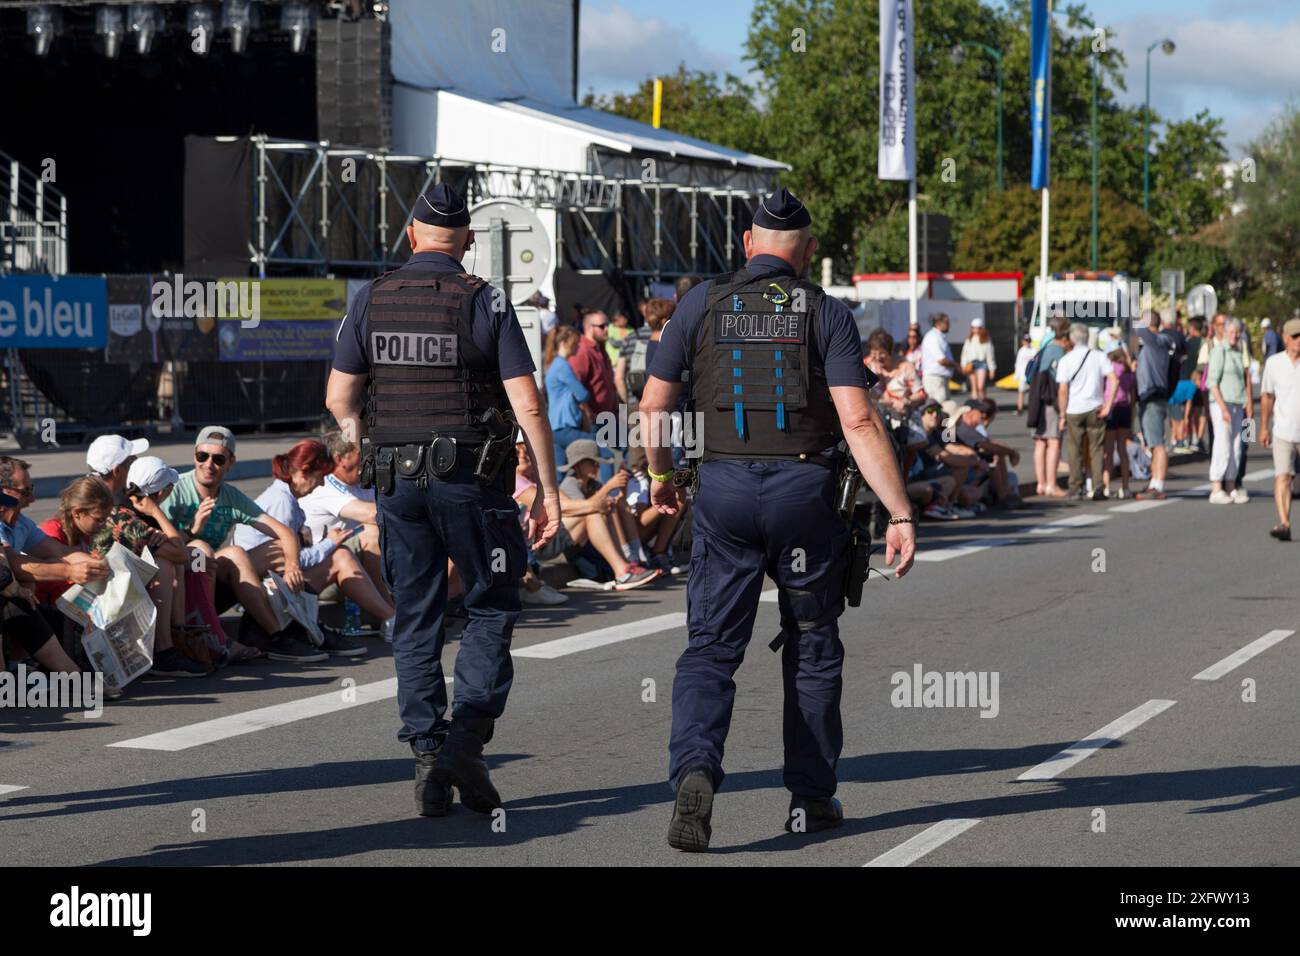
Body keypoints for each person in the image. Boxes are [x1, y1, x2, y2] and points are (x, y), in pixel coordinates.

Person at [639, 187, 916, 850]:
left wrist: (658, 477)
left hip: (723, 493)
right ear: (808, 253)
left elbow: (652, 406)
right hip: (803, 496)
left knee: (711, 646)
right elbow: (856, 419)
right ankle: (812, 799)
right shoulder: (824, 313)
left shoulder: (700, 303)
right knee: (813, 643)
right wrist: (900, 512)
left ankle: (696, 773)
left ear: (746, 245)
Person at [326, 181, 560, 820]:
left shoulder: (370, 298)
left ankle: (431, 758)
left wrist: (370, 453)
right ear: (470, 243)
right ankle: (464, 740)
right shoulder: (486, 300)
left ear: (411, 237)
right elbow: (528, 404)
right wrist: (548, 492)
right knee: (490, 605)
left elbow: (340, 401)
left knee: (417, 614)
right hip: (473, 483)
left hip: (397, 485)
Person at [160, 427, 319, 662]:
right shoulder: (176, 488)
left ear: (230, 463)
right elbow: (156, 543)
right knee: (200, 550)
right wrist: (192, 530)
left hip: (210, 576)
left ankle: (276, 635)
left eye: (218, 458)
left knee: (244, 552)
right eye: (202, 456)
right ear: (195, 455)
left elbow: (284, 533)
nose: (208, 464)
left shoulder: (230, 496)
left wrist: (293, 566)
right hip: (177, 580)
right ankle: (210, 635)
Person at [233, 440, 395, 658]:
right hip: (264, 583)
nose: (320, 484)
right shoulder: (283, 502)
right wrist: (329, 543)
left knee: (340, 555)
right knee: (341, 556)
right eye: (320, 478)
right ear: (303, 472)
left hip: (270, 577)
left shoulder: (285, 497)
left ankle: (390, 618)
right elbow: (290, 559)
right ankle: (390, 618)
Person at [299, 427, 392, 626]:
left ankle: (438, 604)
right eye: (361, 452)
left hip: (354, 567)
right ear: (341, 458)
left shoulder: (359, 480)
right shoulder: (324, 484)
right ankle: (390, 615)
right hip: (324, 575)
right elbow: (372, 514)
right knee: (373, 532)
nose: (369, 457)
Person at [1056, 323, 1109, 500]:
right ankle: (1098, 487)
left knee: (1074, 448)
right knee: (1096, 449)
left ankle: (1076, 487)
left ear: (1071, 339)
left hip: (1074, 409)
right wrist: (1108, 404)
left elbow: (1063, 390)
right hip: (1096, 407)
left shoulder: (1066, 360)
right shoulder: (1099, 357)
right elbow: (1114, 379)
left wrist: (1062, 415)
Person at [1260, 317, 1300, 540]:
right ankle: (1284, 523)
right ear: (1285, 339)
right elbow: (1266, 397)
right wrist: (1262, 427)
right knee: (1282, 477)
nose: (1299, 340)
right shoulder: (1274, 363)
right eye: (1295, 336)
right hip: (1282, 430)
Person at [1206, 317, 1253, 504]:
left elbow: (1244, 378)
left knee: (1237, 446)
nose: (1234, 336)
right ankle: (1216, 486)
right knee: (1222, 444)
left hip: (1237, 403)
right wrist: (1223, 407)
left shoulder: (1237, 351)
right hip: (1221, 403)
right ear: (1224, 333)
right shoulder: (1219, 351)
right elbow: (1212, 382)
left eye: (1237, 332)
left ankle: (1231, 485)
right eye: (1231, 332)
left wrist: (1247, 402)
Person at [1132, 312, 1178, 500]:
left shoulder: (1156, 341)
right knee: (1152, 443)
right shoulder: (1158, 344)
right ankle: (1154, 483)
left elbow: (1135, 328)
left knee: (1157, 444)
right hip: (1153, 396)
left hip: (1152, 396)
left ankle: (1158, 484)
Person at [544, 325, 594, 478]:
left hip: (554, 427)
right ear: (564, 343)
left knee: (561, 473)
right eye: (575, 343)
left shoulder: (554, 365)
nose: (578, 346)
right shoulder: (562, 366)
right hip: (565, 426)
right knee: (600, 448)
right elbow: (582, 395)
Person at [1029, 317, 1070, 497]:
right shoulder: (1058, 351)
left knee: (1039, 442)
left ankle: (1041, 484)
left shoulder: (1044, 346)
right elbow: (1061, 380)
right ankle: (1051, 485)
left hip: (1036, 399)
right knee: (1054, 442)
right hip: (1050, 401)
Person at [615, 297, 672, 407]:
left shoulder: (629, 338)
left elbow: (618, 378)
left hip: (636, 402)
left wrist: (627, 405)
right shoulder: (668, 340)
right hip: (662, 404)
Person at [1099, 345, 1136, 499]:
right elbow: (1133, 397)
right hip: (1125, 409)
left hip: (1112, 408)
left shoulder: (1112, 368)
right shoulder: (1129, 373)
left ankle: (1106, 486)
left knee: (1108, 450)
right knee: (1122, 450)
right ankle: (1125, 487)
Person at [570, 308, 618, 420]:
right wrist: (590, 416)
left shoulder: (600, 348)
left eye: (607, 325)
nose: (606, 329)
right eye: (602, 326)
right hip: (595, 422)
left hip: (609, 417)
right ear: (589, 328)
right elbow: (574, 390)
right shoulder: (582, 352)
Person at [920, 312, 957, 411]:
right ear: (938, 323)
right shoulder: (933, 337)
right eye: (947, 322)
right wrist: (956, 365)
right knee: (938, 408)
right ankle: (939, 426)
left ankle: (944, 426)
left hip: (940, 379)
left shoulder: (938, 337)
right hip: (935, 379)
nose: (949, 325)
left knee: (945, 408)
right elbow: (941, 360)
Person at [959, 317, 997, 401]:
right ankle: (975, 406)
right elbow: (964, 353)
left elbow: (990, 354)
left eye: (977, 328)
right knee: (974, 387)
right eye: (973, 328)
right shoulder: (969, 339)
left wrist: (992, 369)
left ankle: (983, 404)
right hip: (971, 364)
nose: (975, 330)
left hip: (982, 364)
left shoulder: (986, 339)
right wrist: (963, 365)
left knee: (980, 386)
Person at [1014, 332, 1034, 414]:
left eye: (1028, 341)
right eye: (1025, 341)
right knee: (1021, 391)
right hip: (1023, 374)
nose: (1027, 342)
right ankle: (1020, 408)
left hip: (1031, 374)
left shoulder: (1034, 350)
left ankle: (1032, 408)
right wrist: (1016, 374)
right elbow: (1018, 363)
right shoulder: (1021, 351)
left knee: (1032, 392)